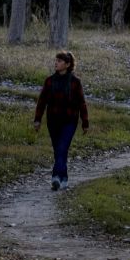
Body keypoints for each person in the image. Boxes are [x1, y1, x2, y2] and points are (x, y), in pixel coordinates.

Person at [33, 51, 89, 191]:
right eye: (56, 60)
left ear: (68, 64)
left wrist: (85, 122)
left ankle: (55, 177)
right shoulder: (49, 81)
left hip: (69, 121)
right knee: (58, 150)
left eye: (59, 61)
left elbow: (82, 103)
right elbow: (42, 101)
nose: (56, 63)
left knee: (62, 148)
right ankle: (64, 178)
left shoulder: (75, 83)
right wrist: (37, 119)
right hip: (53, 120)